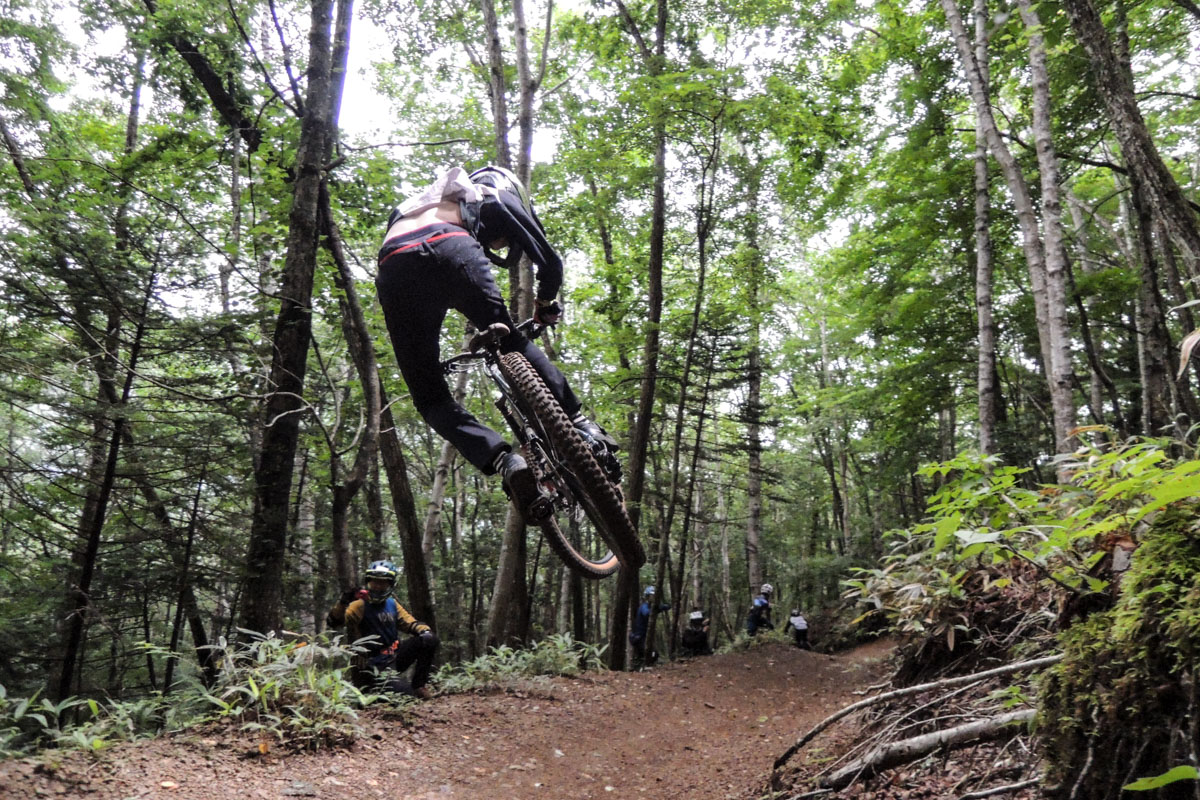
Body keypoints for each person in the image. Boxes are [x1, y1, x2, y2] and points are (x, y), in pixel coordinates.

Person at [375, 165, 616, 523]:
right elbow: (549, 263)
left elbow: (410, 253)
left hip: (394, 265)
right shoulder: (492, 194)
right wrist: (546, 303)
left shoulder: (418, 203)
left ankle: (504, 461)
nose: (500, 246)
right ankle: (583, 425)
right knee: (511, 341)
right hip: (450, 246)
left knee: (429, 396)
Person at [326, 560, 439, 698]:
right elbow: (335, 621)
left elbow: (409, 623)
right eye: (375, 581)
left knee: (429, 640)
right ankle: (374, 690)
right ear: (369, 581)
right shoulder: (358, 606)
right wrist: (343, 602)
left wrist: (425, 631)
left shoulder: (392, 603)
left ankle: (419, 686)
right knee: (405, 696)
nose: (378, 586)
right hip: (372, 666)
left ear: (390, 584)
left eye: (383, 582)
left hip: (394, 657)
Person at [629, 585, 670, 668]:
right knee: (649, 653)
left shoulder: (652, 606)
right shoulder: (644, 606)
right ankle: (639, 667)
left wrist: (663, 606)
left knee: (654, 654)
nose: (653, 597)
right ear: (647, 596)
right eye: (652, 596)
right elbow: (647, 613)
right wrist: (656, 608)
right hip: (639, 638)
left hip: (645, 637)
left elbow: (666, 606)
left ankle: (644, 666)